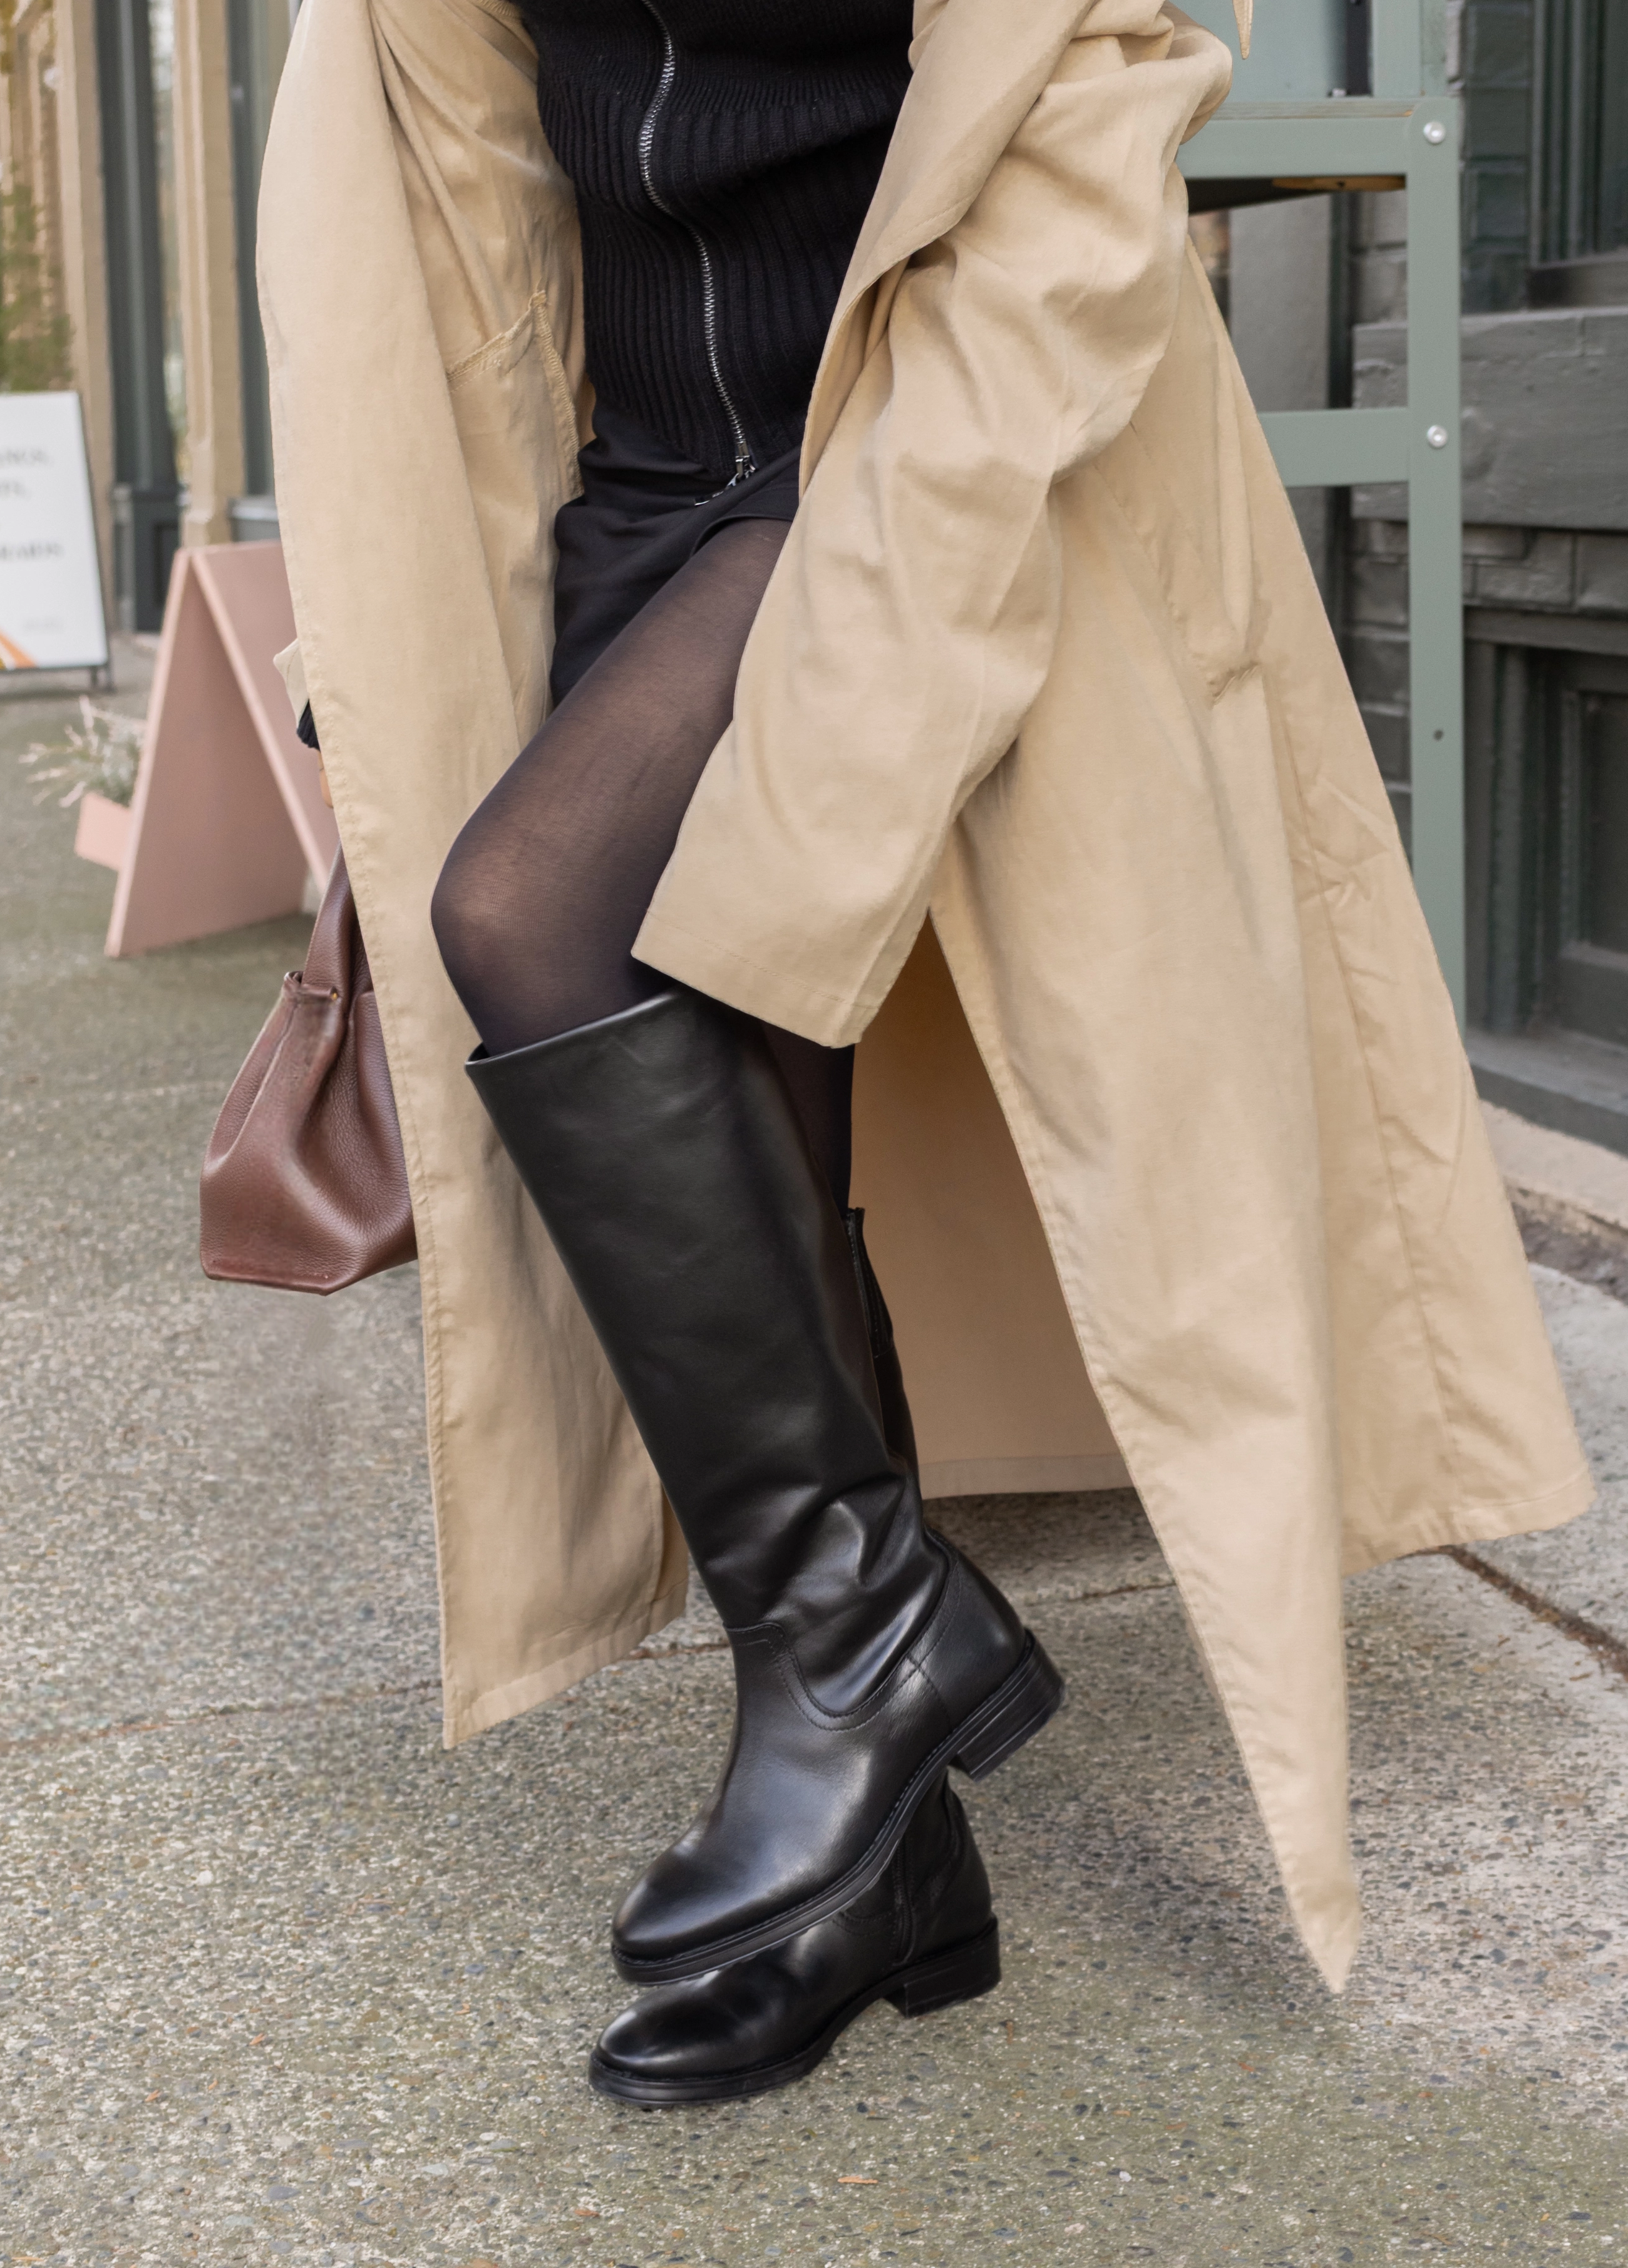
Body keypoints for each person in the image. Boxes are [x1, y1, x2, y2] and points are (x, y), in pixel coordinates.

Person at [259, 0, 1590, 2108]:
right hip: (633, 481)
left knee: (526, 918)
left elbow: (1085, 145)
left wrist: (905, 547)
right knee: (758, 1138)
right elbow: (451, 201)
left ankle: (867, 1644)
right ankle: (885, 1852)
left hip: (920, 467)